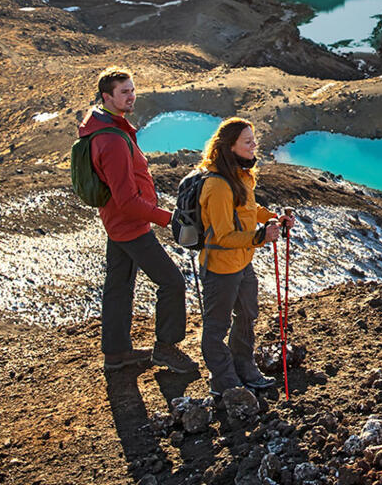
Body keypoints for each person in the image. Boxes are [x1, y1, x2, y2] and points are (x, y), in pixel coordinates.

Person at [82, 67, 196, 374]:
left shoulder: (106, 126)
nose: (131, 96)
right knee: (172, 283)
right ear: (107, 97)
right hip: (129, 226)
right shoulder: (112, 141)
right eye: (124, 92)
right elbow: (127, 200)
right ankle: (166, 348)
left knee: (118, 286)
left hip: (117, 223)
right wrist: (169, 219)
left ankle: (116, 354)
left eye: (132, 90)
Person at [195, 117, 290, 395]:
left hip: (242, 262)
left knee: (247, 314)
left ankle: (244, 367)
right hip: (221, 266)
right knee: (217, 325)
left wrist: (274, 217)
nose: (254, 146)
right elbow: (223, 236)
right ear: (230, 147)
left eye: (253, 140)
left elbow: (249, 209)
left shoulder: (240, 175)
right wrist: (260, 237)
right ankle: (224, 380)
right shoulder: (218, 186)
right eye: (248, 142)